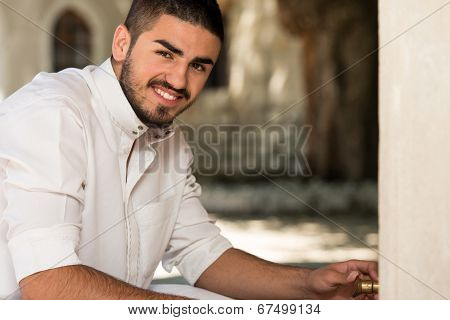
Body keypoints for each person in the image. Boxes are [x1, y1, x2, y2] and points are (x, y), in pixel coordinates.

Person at [0, 0, 377, 300]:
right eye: (166, 53)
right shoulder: (53, 112)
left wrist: (309, 285)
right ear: (121, 43)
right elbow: (48, 284)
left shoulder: (168, 139)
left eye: (198, 66)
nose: (179, 80)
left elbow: (202, 253)